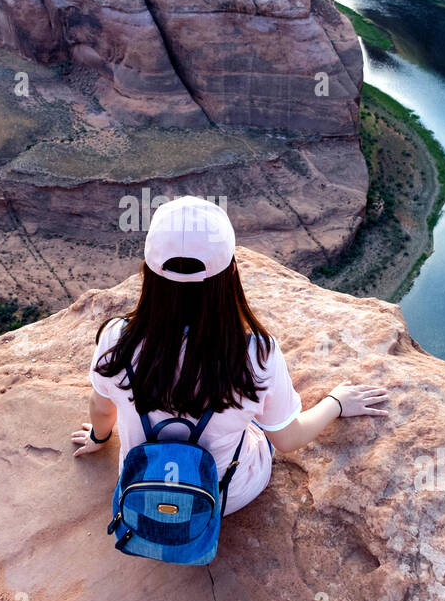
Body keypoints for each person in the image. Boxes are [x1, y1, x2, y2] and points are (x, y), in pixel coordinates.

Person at [72, 196, 389, 516]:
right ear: (232, 273)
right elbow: (288, 439)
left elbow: (101, 407)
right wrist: (336, 403)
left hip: (140, 491)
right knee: (258, 420)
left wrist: (100, 438)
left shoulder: (117, 339)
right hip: (221, 497)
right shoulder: (255, 354)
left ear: (148, 274)